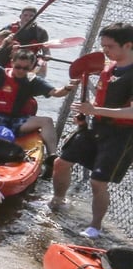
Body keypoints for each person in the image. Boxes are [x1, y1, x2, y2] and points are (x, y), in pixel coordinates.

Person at [50, 23, 133, 239]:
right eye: (103, 45)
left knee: (98, 181)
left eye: (110, 46)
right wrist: (87, 114)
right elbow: (104, 94)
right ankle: (58, 200)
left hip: (120, 135)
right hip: (95, 127)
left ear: (128, 45)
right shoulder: (109, 66)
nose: (105, 50)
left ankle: (94, 227)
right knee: (61, 163)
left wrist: (95, 109)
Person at [0, 46, 76, 164]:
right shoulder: (1, 73)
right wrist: (3, 44)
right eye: (18, 67)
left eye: (25, 68)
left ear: (31, 67)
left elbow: (56, 92)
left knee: (47, 121)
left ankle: (52, 157)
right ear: (12, 62)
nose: (21, 71)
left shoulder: (34, 81)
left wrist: (67, 87)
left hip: (18, 121)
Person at [0, 6, 50, 76]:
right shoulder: (9, 28)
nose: (28, 18)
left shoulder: (41, 32)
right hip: (6, 57)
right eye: (25, 15)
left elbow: (46, 50)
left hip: (28, 61)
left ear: (35, 18)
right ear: (20, 16)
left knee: (42, 64)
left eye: (31, 16)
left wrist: (47, 55)